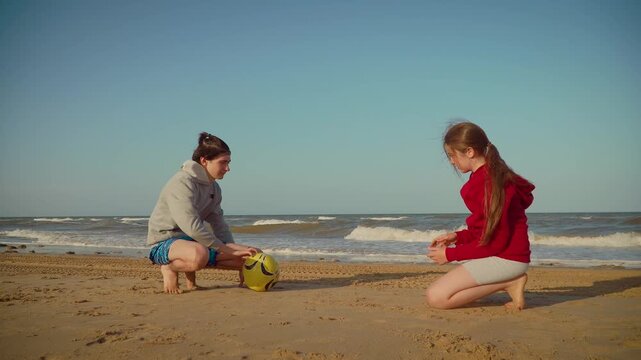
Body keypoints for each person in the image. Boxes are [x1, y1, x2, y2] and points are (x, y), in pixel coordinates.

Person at [426, 121, 535, 310]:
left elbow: (495, 243)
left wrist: (450, 254)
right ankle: (509, 281)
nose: (452, 161)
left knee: (436, 298)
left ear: (469, 151)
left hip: (508, 260)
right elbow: (485, 230)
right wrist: (457, 237)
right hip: (506, 256)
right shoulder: (490, 177)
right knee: (440, 294)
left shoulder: (490, 183)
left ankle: (510, 282)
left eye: (452, 155)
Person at [147, 132, 258, 294]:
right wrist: (227, 250)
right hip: (166, 241)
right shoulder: (181, 182)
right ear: (204, 161)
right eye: (223, 163)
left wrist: (235, 252)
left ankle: (193, 278)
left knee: (252, 255)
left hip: (195, 242)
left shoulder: (214, 188)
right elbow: (191, 226)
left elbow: (219, 224)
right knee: (199, 254)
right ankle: (169, 268)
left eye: (228, 162)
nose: (228, 168)